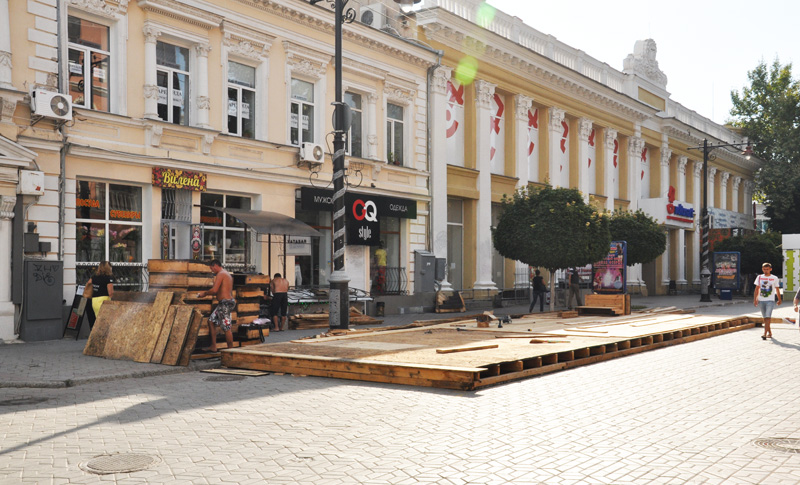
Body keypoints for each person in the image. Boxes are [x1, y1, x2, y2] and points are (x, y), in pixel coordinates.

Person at [197, 260, 235, 352]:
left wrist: (204, 293)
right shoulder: (227, 274)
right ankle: (213, 346)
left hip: (225, 303)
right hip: (224, 302)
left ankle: (231, 350)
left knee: (226, 327)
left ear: (215, 265)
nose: (211, 270)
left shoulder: (221, 274)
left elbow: (214, 290)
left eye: (211, 268)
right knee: (211, 321)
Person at [754, 262, 782, 340]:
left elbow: (777, 289)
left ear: (770, 269)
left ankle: (764, 334)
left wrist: (779, 299)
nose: (765, 271)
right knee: (765, 318)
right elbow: (756, 289)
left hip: (770, 300)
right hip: (761, 300)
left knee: (768, 317)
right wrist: (755, 299)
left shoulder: (774, 278)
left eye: (767, 269)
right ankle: (769, 332)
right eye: (764, 269)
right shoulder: (759, 277)